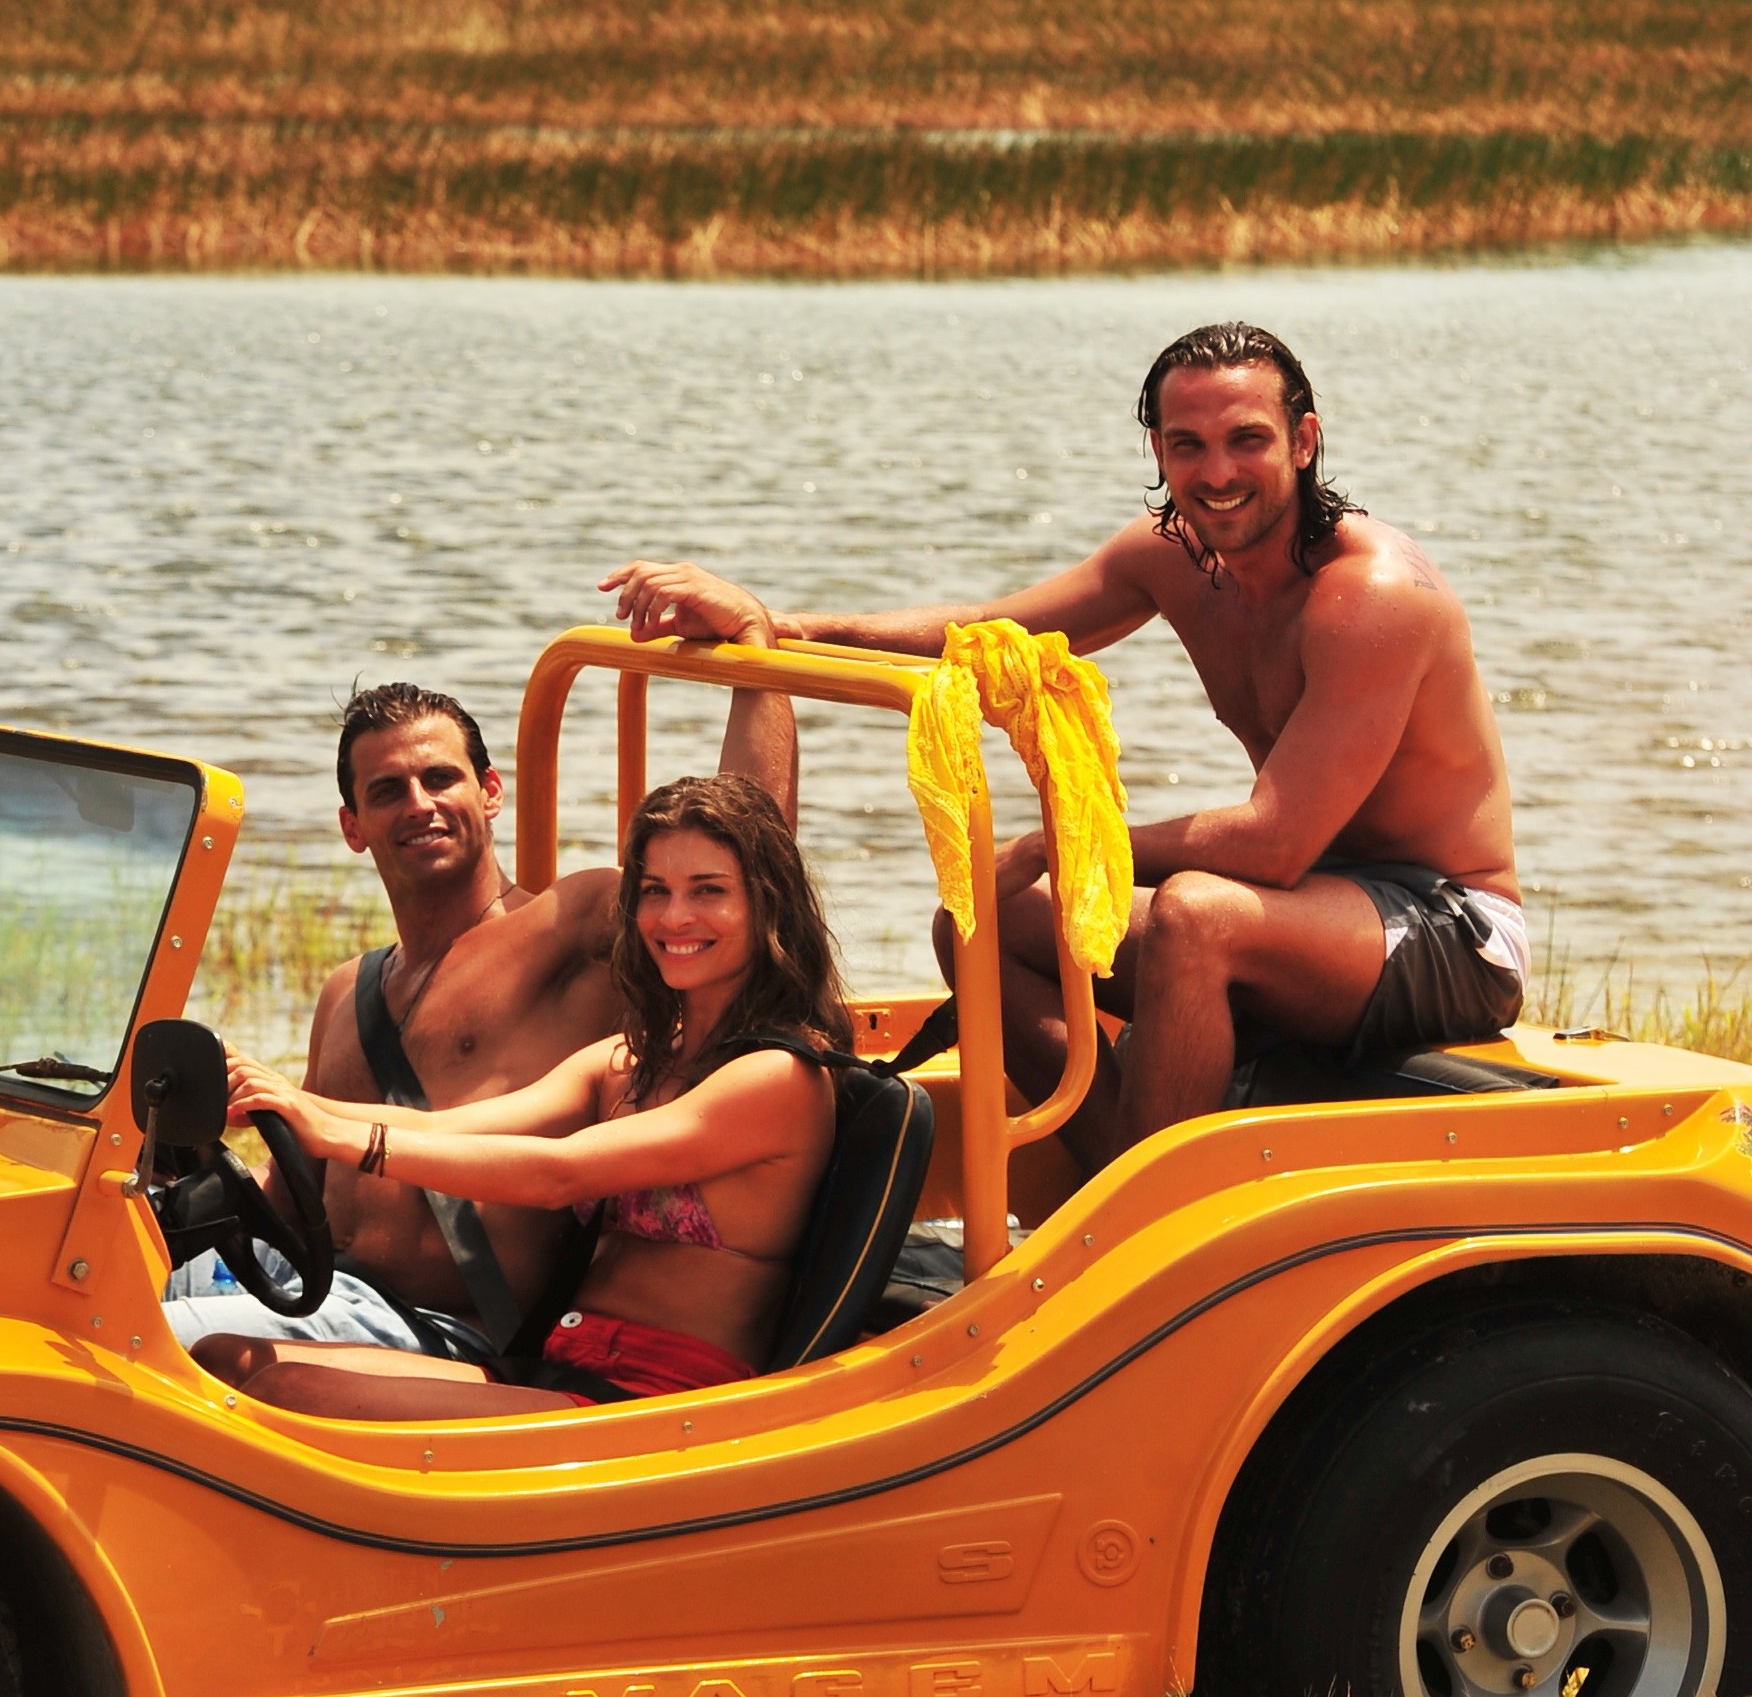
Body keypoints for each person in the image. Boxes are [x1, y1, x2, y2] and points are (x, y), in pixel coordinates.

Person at [601, 321, 1523, 1168]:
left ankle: (1144, 1220)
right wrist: (774, 621)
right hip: (1313, 906)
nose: (1216, 472)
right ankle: (1122, 1181)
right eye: (1187, 445)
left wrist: (1052, 844)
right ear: (1156, 451)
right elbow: (987, 633)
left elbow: (1273, 841)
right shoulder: (1170, 556)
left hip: (1446, 923)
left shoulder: (1371, 598)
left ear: (1304, 440)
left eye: (1247, 438)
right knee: (978, 922)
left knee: (1196, 914)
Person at [163, 675, 800, 1361]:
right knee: (69, 1285)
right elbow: (290, 1190)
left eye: (440, 778)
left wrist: (753, 664)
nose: (420, 805)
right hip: (311, 1280)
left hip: (433, 1324)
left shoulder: (570, 927)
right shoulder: (345, 992)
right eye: (387, 790)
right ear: (352, 826)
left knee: (142, 1338)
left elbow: (736, 852)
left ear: (490, 791)